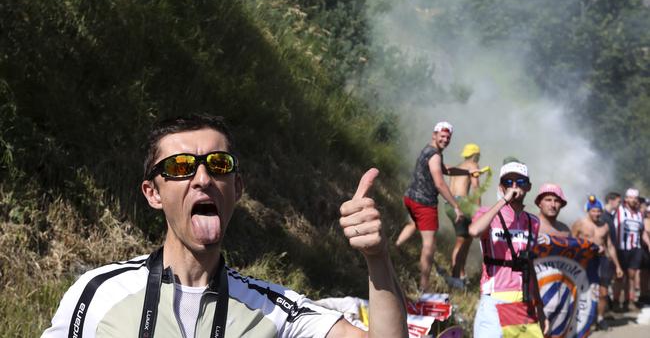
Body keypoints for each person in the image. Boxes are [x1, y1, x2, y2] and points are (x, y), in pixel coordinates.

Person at [42, 114, 407, 338]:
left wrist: (377, 258)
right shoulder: (98, 293)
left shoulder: (274, 309)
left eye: (218, 164)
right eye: (182, 166)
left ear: (237, 188)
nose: (203, 178)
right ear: (153, 193)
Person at [469, 161, 547, 337]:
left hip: (523, 301)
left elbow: (530, 265)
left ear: (528, 187)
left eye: (520, 182)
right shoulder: (488, 214)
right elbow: (474, 231)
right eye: (508, 182)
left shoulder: (533, 222)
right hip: (495, 299)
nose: (514, 186)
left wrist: (539, 306)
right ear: (500, 186)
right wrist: (504, 201)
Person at [401, 121, 463, 292]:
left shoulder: (429, 150)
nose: (445, 140)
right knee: (429, 245)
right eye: (442, 136)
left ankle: (394, 250)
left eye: (448, 137)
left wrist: (466, 172)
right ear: (434, 135)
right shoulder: (435, 155)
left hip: (411, 197)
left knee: (412, 225)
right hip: (424, 203)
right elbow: (440, 183)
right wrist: (456, 206)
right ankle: (424, 285)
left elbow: (444, 169)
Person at [571, 196, 624, 330]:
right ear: (588, 210)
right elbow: (571, 242)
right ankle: (582, 319)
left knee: (604, 292)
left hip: (602, 261)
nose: (597, 213)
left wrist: (618, 266)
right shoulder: (580, 224)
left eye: (599, 211)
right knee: (585, 291)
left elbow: (610, 246)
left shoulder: (604, 225)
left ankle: (600, 318)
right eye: (594, 211)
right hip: (585, 261)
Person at [447, 143, 482, 287]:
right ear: (475, 155)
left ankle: (461, 275)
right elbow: (476, 187)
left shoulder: (459, 166)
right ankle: (455, 278)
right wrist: (479, 211)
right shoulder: (473, 165)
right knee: (461, 242)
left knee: (466, 239)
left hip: (450, 204)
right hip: (461, 204)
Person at [612, 188, 650, 312]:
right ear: (626, 198)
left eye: (635, 198)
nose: (633, 200)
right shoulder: (619, 210)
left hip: (635, 248)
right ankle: (616, 302)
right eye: (631, 197)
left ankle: (630, 301)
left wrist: (648, 243)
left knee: (632, 276)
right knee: (619, 276)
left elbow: (642, 231)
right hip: (621, 248)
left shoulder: (639, 214)